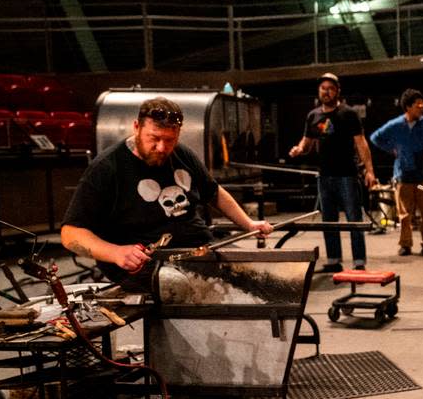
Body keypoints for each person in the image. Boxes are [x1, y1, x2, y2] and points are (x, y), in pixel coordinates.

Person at [61, 97, 273, 290]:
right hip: (146, 262)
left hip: (197, 247)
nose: (162, 147)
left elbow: (214, 192)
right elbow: (70, 234)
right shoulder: (107, 168)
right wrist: (116, 253)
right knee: (189, 287)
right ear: (136, 127)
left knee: (254, 271)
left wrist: (249, 224)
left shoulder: (182, 154)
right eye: (154, 138)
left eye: (170, 140)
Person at [288, 72, 378, 272]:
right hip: (325, 175)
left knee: (354, 219)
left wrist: (369, 171)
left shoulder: (348, 114)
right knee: (329, 220)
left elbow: (361, 144)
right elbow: (307, 142)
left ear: (337, 91)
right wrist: (299, 149)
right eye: (323, 88)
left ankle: (359, 262)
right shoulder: (313, 116)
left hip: (346, 174)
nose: (326, 91)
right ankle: (334, 260)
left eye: (330, 88)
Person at [369, 89, 423, 256]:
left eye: (422, 104)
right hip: (403, 175)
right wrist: (392, 149)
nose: (421, 107)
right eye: (417, 105)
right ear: (408, 107)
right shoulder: (395, 125)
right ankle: (405, 244)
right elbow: (375, 137)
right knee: (404, 214)